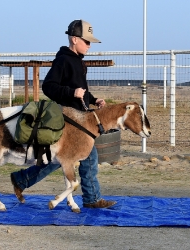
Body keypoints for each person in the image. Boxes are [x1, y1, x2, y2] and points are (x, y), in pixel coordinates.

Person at [10, 19, 116, 209]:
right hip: (68, 121)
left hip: (80, 120)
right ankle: (92, 199)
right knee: (82, 158)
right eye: (87, 41)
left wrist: (94, 100)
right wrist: (71, 93)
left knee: (65, 159)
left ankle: (22, 180)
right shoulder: (63, 60)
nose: (90, 46)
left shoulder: (79, 62)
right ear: (74, 39)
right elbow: (49, 87)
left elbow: (81, 90)